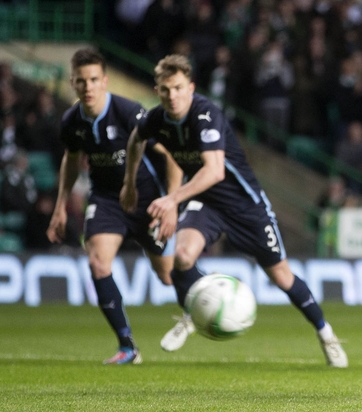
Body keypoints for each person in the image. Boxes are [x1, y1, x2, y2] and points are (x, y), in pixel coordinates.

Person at [121, 54, 347, 368]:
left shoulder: (206, 114)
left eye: (177, 88)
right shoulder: (156, 119)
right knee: (182, 258)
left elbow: (214, 171)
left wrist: (172, 200)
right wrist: (129, 183)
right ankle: (194, 310)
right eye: (164, 89)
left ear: (191, 87)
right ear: (157, 91)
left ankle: (326, 334)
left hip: (244, 204)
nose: (171, 96)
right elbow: (135, 139)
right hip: (207, 203)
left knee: (281, 277)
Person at [47, 48, 182, 365]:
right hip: (107, 200)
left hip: (146, 200)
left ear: (105, 81)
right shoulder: (72, 121)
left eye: (94, 79)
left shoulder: (127, 112)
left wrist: (172, 201)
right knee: (97, 262)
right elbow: (70, 161)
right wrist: (60, 206)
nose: (88, 87)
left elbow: (172, 152)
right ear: (72, 83)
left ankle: (206, 295)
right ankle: (127, 347)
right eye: (81, 81)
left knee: (167, 275)